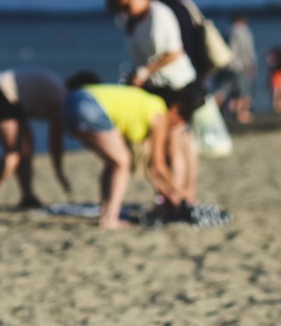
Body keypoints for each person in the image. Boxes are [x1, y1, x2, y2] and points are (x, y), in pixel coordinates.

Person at [105, 0, 201, 219]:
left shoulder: (160, 13)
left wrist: (145, 71)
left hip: (178, 86)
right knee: (167, 146)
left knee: (175, 143)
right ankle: (175, 197)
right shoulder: (132, 23)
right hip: (155, 88)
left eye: (127, 5)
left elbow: (173, 52)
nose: (125, 12)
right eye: (120, 9)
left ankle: (180, 199)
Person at [62, 72, 203, 230]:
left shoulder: (146, 103)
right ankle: (109, 219)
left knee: (113, 163)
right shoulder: (159, 113)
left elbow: (152, 170)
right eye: (182, 120)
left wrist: (169, 194)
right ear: (175, 110)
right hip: (90, 104)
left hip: (71, 101)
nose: (177, 125)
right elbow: (158, 166)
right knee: (122, 163)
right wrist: (182, 194)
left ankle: (107, 212)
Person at [0, 67, 72, 210]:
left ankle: (28, 196)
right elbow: (55, 140)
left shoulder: (58, 89)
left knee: (26, 148)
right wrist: (59, 173)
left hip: (11, 98)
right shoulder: (61, 98)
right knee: (13, 151)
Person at [216, 14, 256, 123]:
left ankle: (216, 113)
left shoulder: (227, 31)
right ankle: (242, 115)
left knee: (223, 90)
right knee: (243, 91)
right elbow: (247, 51)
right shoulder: (243, 31)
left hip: (227, 66)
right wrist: (251, 65)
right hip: (240, 66)